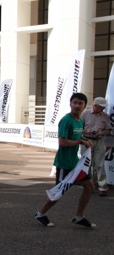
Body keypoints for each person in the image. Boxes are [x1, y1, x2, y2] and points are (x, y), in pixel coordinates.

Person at [34, 93, 96, 228]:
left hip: (75, 163)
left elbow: (77, 137)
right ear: (70, 104)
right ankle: (41, 213)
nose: (77, 106)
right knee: (60, 191)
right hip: (64, 164)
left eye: (80, 103)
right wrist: (80, 141)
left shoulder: (79, 120)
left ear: (85, 106)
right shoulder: (66, 120)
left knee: (89, 186)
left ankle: (79, 216)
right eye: (75, 103)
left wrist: (85, 139)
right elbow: (62, 142)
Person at [81, 97, 113, 197]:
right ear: (95, 105)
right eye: (101, 107)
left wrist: (102, 132)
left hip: (100, 140)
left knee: (100, 164)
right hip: (87, 140)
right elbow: (78, 128)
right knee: (87, 164)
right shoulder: (85, 114)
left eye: (103, 107)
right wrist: (87, 131)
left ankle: (102, 187)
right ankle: (89, 185)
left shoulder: (105, 116)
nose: (103, 109)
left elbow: (109, 129)